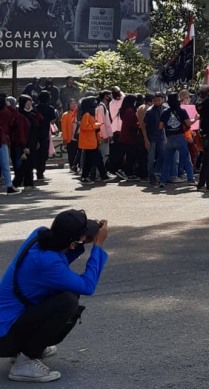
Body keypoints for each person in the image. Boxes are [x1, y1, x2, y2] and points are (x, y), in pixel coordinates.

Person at [0, 209, 109, 383]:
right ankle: (25, 361)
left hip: (9, 322)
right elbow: (87, 286)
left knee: (67, 292)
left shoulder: (40, 234)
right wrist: (97, 246)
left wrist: (82, 242)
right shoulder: (48, 263)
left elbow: (62, 257)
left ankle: (28, 347)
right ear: (72, 242)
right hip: (4, 337)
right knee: (68, 300)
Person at [159, 93, 195, 189]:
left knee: (167, 161)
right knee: (186, 159)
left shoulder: (165, 111)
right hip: (180, 137)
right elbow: (188, 123)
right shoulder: (182, 111)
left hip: (169, 138)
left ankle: (162, 180)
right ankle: (191, 179)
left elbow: (160, 126)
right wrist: (196, 119)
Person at [78, 97, 112, 184]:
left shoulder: (89, 114)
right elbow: (84, 127)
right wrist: (96, 125)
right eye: (93, 101)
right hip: (89, 142)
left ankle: (85, 177)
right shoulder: (86, 115)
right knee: (98, 158)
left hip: (92, 141)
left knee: (89, 161)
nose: (95, 103)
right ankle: (103, 175)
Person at [11, 97, 41, 191]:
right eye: (27, 104)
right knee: (25, 165)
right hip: (24, 144)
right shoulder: (20, 116)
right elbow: (21, 132)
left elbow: (37, 125)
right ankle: (16, 183)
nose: (29, 106)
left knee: (30, 164)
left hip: (32, 142)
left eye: (30, 104)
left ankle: (28, 183)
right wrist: (25, 146)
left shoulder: (32, 114)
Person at [144, 92, 168, 187]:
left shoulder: (165, 109)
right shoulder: (149, 111)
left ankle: (158, 174)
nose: (157, 102)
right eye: (155, 100)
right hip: (151, 138)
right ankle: (151, 177)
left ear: (162, 100)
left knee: (162, 156)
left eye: (158, 100)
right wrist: (146, 139)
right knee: (150, 158)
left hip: (162, 137)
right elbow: (144, 126)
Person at [34, 92, 57, 182]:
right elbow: (53, 121)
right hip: (45, 134)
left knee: (36, 153)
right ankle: (40, 173)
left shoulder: (35, 107)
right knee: (43, 154)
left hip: (35, 133)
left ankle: (36, 169)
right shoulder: (50, 108)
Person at [0, 94, 19, 195]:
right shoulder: (5, 112)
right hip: (2, 140)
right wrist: (9, 106)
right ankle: (9, 186)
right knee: (5, 164)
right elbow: (15, 115)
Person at [60, 100, 78, 171]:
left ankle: (77, 166)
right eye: (71, 103)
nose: (73, 105)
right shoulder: (65, 115)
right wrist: (65, 138)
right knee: (71, 153)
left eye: (75, 103)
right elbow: (64, 128)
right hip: (70, 138)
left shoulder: (78, 114)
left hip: (79, 137)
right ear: (68, 105)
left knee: (78, 153)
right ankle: (72, 166)